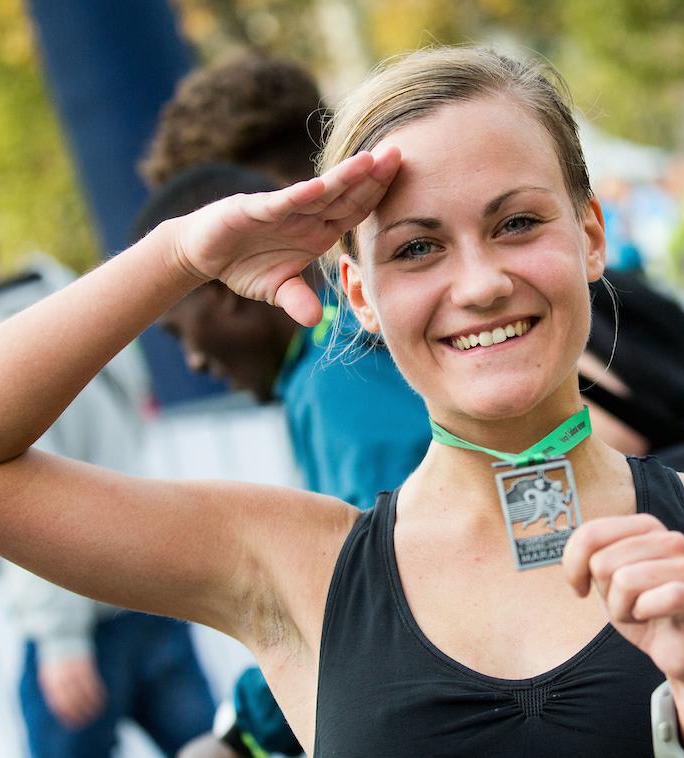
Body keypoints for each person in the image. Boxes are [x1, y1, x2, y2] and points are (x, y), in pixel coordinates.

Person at [0, 48, 684, 756]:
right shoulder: (296, 567)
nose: (480, 282)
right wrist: (178, 255)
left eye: (516, 224)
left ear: (590, 236)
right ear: (360, 292)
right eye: (417, 247)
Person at [139, 54, 432, 757]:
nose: (196, 361)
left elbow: (374, 591)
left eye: (219, 221)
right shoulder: (372, 322)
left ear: (273, 196)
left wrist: (243, 734)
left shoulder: (338, 365)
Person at [0, 195, 216, 758]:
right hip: (154, 581)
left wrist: (59, 637)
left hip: (82, 608)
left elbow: (17, 499)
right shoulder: (83, 306)